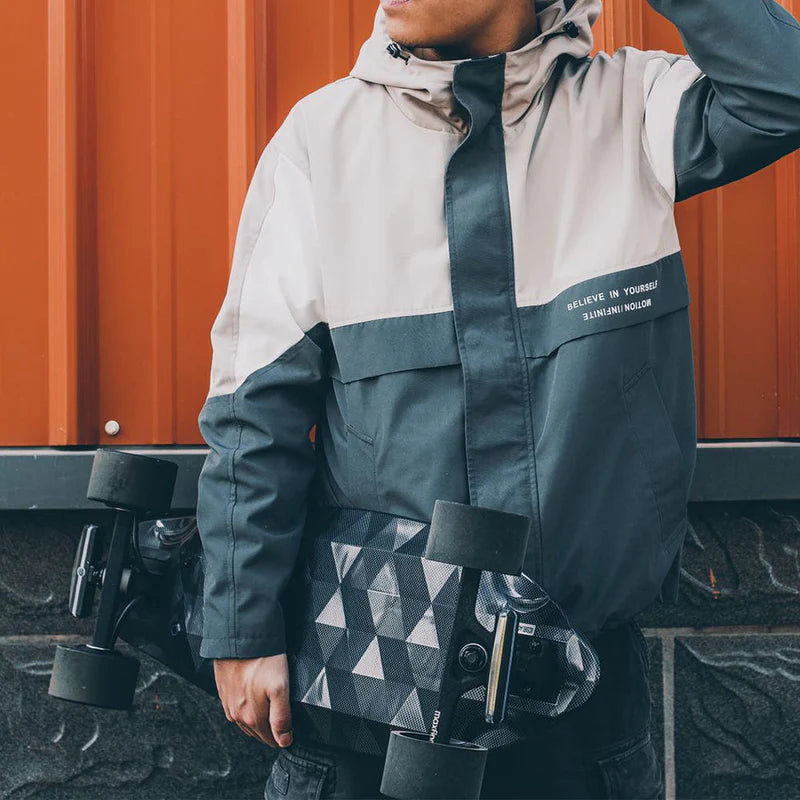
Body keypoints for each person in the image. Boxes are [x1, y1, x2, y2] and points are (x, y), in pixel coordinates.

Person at [195, 0, 800, 797]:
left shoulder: (631, 110)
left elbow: (783, 91)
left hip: (579, 703)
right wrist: (242, 626)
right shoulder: (321, 142)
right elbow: (254, 411)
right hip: (367, 699)